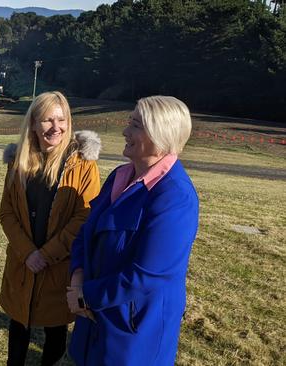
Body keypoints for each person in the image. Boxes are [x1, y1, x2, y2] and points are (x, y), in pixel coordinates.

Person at [66, 95, 199, 365]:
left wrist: (85, 296)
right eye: (130, 122)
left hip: (134, 332)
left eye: (136, 125)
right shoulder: (119, 175)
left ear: (162, 135)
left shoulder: (176, 198)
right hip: (93, 318)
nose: (126, 131)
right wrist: (77, 277)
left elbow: (147, 276)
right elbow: (87, 232)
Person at [0, 91, 101, 365]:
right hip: (22, 266)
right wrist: (27, 253)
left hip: (58, 269)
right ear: (32, 124)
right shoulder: (17, 162)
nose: (56, 127)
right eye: (47, 120)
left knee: (55, 334)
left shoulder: (84, 166)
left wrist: (46, 255)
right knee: (18, 327)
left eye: (61, 119)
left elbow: (84, 217)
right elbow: (7, 212)